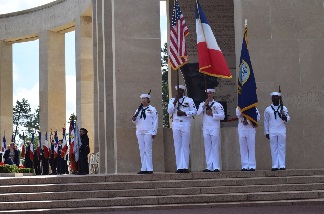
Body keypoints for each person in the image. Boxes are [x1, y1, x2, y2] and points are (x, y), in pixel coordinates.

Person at [168, 85, 197, 173]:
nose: (179, 92)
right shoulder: (172, 100)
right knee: (177, 145)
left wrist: (185, 113)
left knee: (185, 145)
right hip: (176, 123)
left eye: (181, 90)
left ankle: (185, 166)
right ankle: (179, 167)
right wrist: (175, 101)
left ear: (183, 91)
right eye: (178, 90)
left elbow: (194, 111)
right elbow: (169, 111)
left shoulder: (189, 100)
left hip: (185, 123)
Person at [197, 89, 225, 172]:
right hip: (206, 127)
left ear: (213, 94)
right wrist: (204, 106)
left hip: (214, 127)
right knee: (207, 147)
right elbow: (198, 113)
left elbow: (222, 116)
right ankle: (209, 166)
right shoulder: (203, 104)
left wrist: (212, 114)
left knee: (214, 146)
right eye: (208, 93)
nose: (209, 95)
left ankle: (216, 166)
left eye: (210, 93)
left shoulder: (217, 105)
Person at [132, 93, 158, 174]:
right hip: (140, 131)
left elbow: (155, 121)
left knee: (148, 150)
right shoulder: (138, 110)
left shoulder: (152, 109)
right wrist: (133, 119)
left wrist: (154, 132)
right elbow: (135, 121)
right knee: (142, 150)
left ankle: (149, 168)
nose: (143, 100)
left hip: (148, 131)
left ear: (148, 100)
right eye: (142, 99)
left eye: (145, 98)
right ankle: (143, 168)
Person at [264, 92, 290, 171]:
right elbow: (266, 121)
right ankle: (275, 165)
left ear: (279, 99)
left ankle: (282, 165)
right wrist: (267, 132)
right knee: (273, 148)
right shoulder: (268, 109)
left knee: (281, 148)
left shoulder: (284, 108)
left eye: (276, 97)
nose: (275, 99)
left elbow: (288, 119)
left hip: (281, 130)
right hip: (272, 130)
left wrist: (284, 116)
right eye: (273, 97)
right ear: (271, 99)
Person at [236, 107, 260, 171]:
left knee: (251, 147)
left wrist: (248, 121)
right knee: (243, 147)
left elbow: (257, 117)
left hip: (250, 128)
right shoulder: (239, 107)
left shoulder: (254, 108)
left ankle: (252, 165)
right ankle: (245, 165)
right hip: (242, 127)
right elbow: (238, 115)